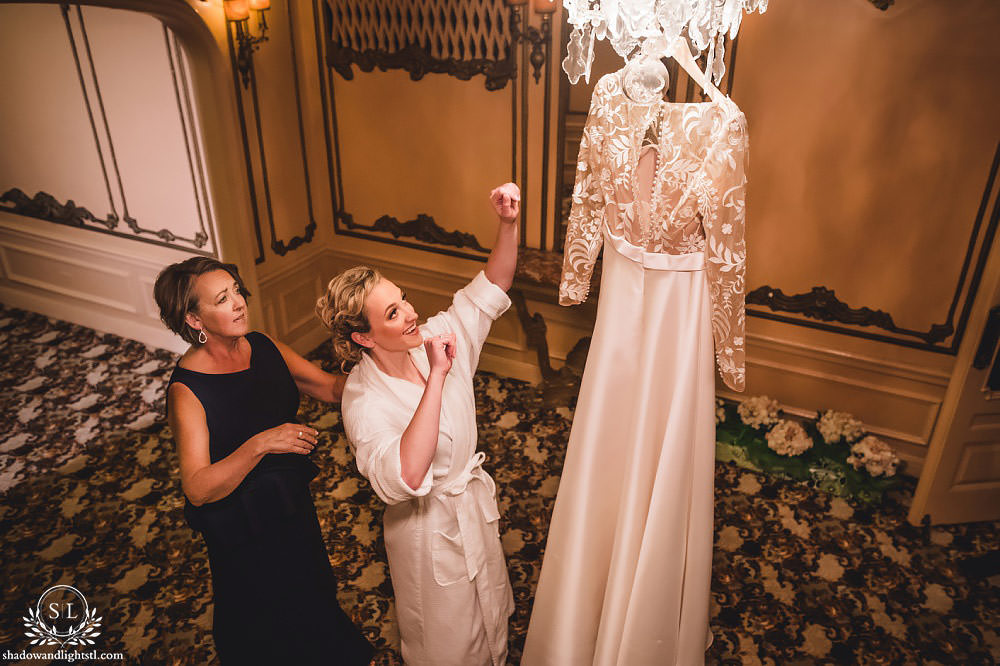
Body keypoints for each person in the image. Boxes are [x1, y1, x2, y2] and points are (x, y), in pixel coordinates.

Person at [316, 183, 520, 666]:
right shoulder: (364, 401)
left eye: (403, 300)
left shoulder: (435, 337)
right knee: (449, 643)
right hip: (429, 538)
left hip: (471, 509)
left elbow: (493, 286)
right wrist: (438, 380)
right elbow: (405, 477)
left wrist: (507, 224)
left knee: (492, 618)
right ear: (364, 337)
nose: (410, 313)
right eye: (393, 313)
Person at [154, 257, 373, 665]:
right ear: (194, 320)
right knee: (264, 616)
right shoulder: (188, 390)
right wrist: (260, 444)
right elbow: (197, 488)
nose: (239, 303)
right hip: (240, 525)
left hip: (289, 503)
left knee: (311, 589)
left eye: (236, 291)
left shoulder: (265, 346)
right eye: (222, 299)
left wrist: (382, 360)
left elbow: (328, 388)